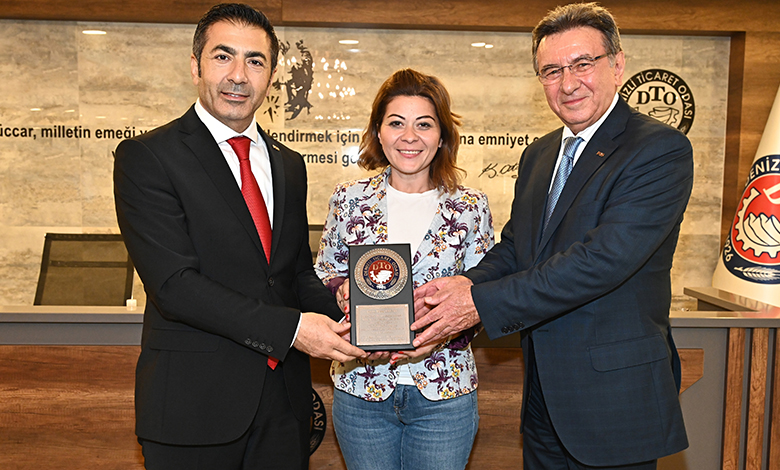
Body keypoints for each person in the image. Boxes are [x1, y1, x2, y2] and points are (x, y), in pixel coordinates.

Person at [411, 3, 692, 469]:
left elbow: (600, 261)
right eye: (552, 70)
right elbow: (517, 247)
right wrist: (467, 283)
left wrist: (479, 303)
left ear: (617, 64)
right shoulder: (540, 155)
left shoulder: (658, 149)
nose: (568, 83)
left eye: (583, 64)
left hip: (614, 401)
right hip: (545, 398)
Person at [113, 4, 365, 469]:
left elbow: (293, 274)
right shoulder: (148, 156)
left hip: (283, 410)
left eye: (255, 61)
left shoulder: (289, 164)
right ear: (196, 66)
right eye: (222, 56)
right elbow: (174, 286)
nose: (238, 76)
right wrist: (294, 330)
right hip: (193, 408)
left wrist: (356, 313)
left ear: (271, 76)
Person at [314, 68, 494, 470]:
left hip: (444, 391)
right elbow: (325, 270)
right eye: (396, 123)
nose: (409, 136)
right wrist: (341, 290)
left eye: (424, 124)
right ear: (378, 133)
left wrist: (445, 330)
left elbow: (485, 294)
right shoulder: (349, 200)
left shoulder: (470, 206)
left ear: (442, 136)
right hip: (361, 387)